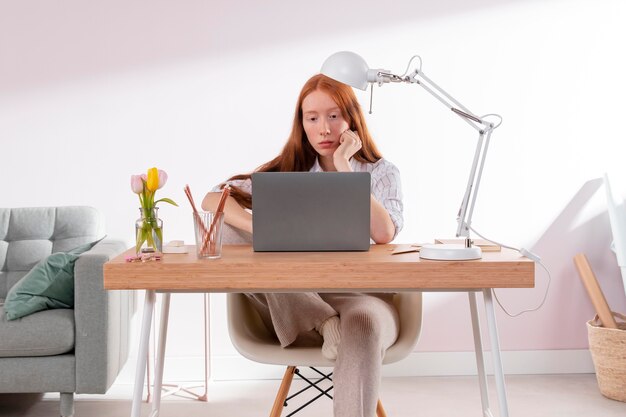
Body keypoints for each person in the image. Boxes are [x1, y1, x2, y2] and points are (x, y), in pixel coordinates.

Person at [202, 73, 403, 417]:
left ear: (352, 121)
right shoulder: (286, 173)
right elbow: (211, 200)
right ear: (302, 124)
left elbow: (385, 233)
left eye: (334, 116)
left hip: (365, 298)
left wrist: (345, 170)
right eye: (312, 118)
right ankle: (323, 320)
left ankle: (330, 323)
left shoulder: (382, 172)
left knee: (362, 325)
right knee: (228, 230)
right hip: (299, 296)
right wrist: (261, 227)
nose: (324, 128)